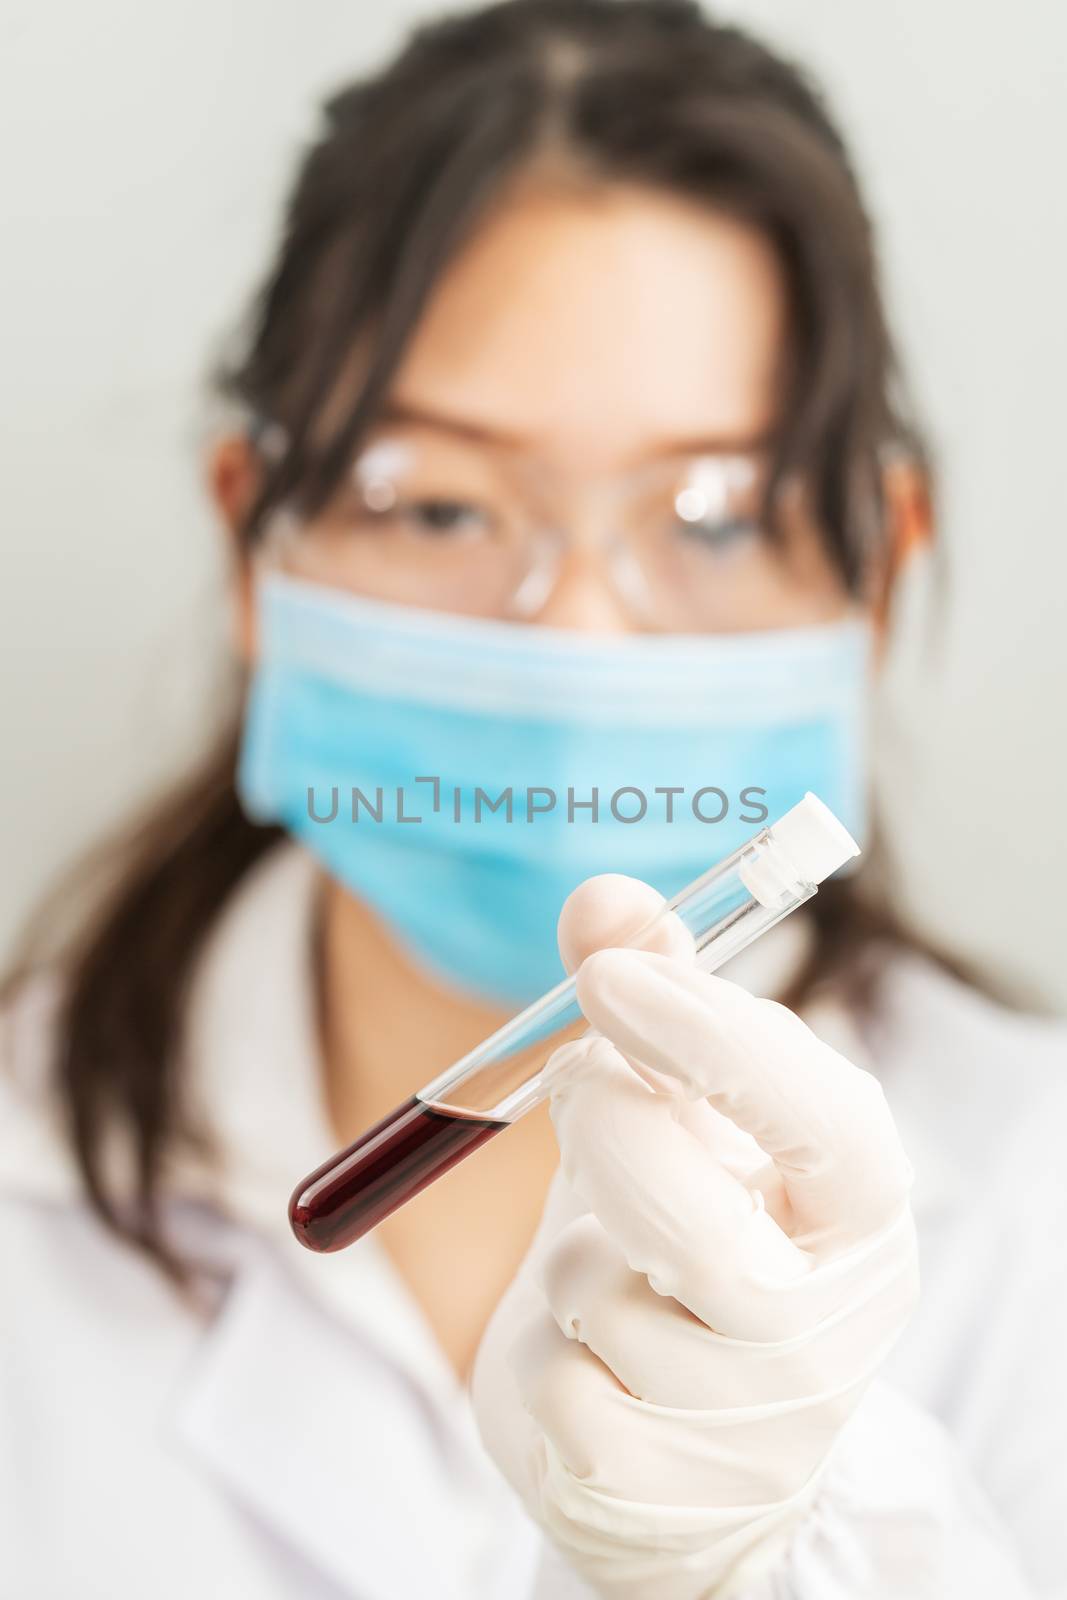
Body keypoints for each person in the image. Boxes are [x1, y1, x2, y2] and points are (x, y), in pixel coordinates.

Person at [2, 2, 1064, 1596]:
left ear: (879, 576)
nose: (573, 637)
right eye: (439, 501)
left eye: (713, 519)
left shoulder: (1038, 1195)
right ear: (251, 543)